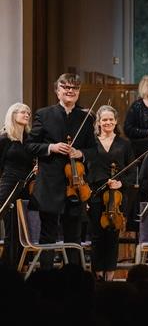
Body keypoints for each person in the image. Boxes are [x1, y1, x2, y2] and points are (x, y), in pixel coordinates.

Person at [25, 73, 97, 270]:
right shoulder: (44, 114)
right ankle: (46, 278)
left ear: (78, 92)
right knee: (47, 234)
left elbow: (93, 150)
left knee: (73, 236)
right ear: (57, 91)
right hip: (49, 184)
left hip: (75, 186)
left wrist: (80, 152)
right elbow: (30, 145)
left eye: (74, 88)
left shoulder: (85, 118)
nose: (70, 91)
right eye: (65, 87)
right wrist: (52, 148)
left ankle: (73, 280)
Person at [86, 105, 135, 281]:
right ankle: (98, 274)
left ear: (116, 121)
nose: (108, 122)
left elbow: (132, 172)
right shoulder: (91, 142)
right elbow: (86, 169)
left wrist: (121, 182)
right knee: (97, 236)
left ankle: (110, 276)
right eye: (104, 119)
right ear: (98, 122)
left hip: (117, 195)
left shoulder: (124, 144)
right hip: (96, 194)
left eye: (111, 119)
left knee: (113, 236)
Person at [0, 103, 35, 268]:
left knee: (24, 230)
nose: (27, 114)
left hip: (25, 187)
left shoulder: (29, 139)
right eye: (23, 112)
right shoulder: (5, 138)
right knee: (11, 229)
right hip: (9, 187)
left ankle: (22, 269)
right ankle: (8, 270)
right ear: (13, 115)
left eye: (28, 112)